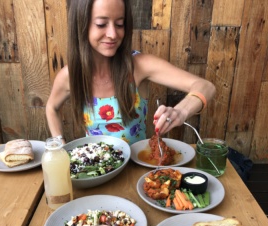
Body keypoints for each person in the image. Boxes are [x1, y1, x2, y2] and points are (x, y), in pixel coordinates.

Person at [46, 0, 216, 145]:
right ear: (81, 25)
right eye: (101, 24)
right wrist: (58, 144)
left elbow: (206, 86)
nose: (113, 34)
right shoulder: (70, 75)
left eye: (120, 24)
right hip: (95, 172)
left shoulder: (139, 66)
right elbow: (51, 107)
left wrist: (181, 111)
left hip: (136, 172)